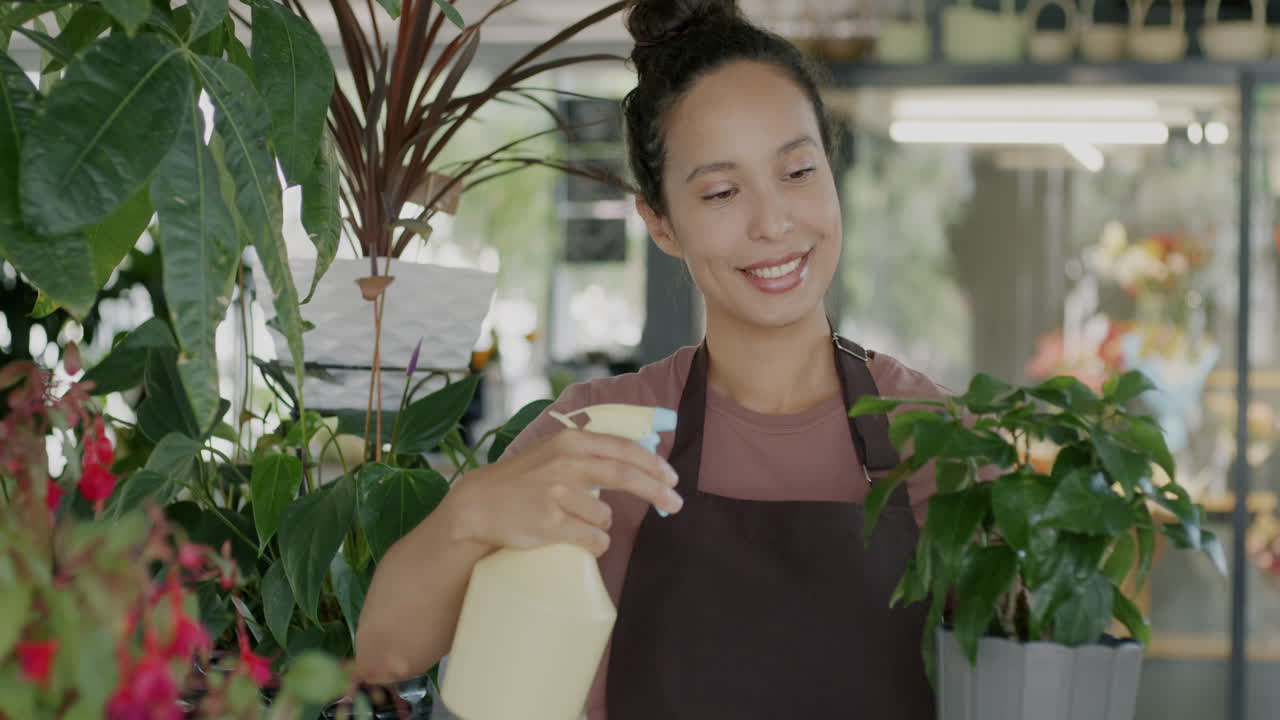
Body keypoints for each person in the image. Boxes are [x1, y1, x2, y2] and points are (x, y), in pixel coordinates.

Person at [356, 1, 950, 716]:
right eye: (723, 192)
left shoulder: (932, 433)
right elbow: (385, 655)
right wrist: (473, 511)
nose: (774, 222)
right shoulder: (599, 435)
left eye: (797, 171)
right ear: (660, 222)